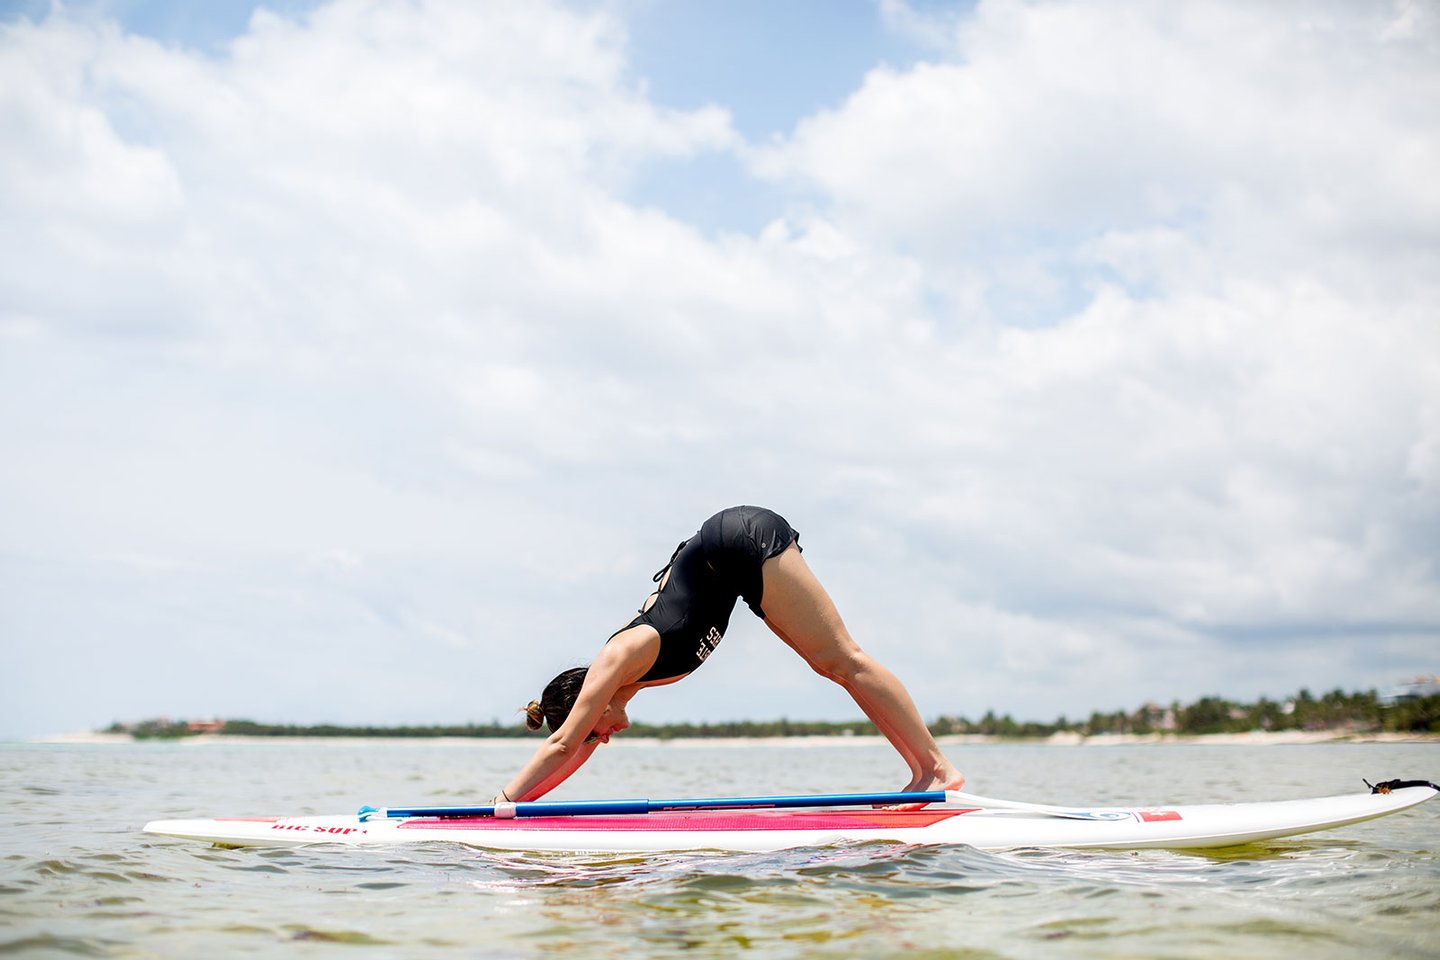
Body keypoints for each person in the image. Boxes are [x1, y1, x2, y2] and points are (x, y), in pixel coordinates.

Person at [495, 506, 964, 805]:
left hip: (738, 540)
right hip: (735, 569)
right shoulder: (627, 681)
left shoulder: (621, 655)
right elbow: (573, 751)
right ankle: (923, 772)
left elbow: (563, 745)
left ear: (589, 705)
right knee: (830, 666)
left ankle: (936, 769)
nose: (604, 739)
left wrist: (500, 801)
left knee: (843, 658)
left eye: (595, 733)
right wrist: (521, 808)